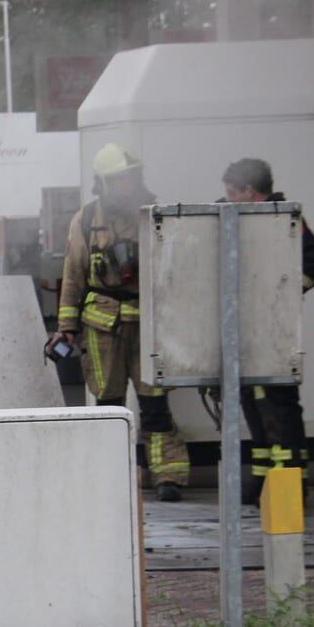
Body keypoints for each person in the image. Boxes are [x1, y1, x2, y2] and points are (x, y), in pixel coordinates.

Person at [47, 143, 190, 501]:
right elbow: (74, 276)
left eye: (131, 177)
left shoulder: (154, 215)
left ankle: (168, 476)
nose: (126, 185)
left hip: (149, 325)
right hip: (102, 328)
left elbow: (178, 271)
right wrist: (66, 327)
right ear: (104, 183)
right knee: (108, 405)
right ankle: (110, 473)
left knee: (155, 403)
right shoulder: (86, 220)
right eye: (119, 180)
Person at [222, 157, 314, 504]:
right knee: (253, 403)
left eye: (231, 193)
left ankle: (291, 485)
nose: (227, 200)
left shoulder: (282, 217)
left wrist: (281, 293)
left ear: (250, 192)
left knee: (279, 404)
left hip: (274, 328)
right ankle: (263, 481)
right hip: (250, 329)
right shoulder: (246, 219)